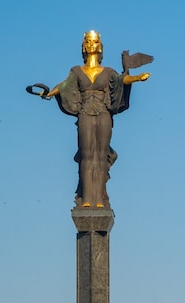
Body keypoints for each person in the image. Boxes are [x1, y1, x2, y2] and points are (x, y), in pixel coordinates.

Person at [43, 30, 150, 208]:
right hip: (85, 112)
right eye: (88, 41)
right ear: (84, 46)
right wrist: (48, 93)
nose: (91, 44)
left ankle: (99, 198)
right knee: (87, 155)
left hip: (103, 113)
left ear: (100, 46)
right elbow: (64, 86)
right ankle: (86, 199)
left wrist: (137, 78)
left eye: (95, 41)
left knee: (100, 155)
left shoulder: (108, 72)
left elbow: (121, 80)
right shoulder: (77, 71)